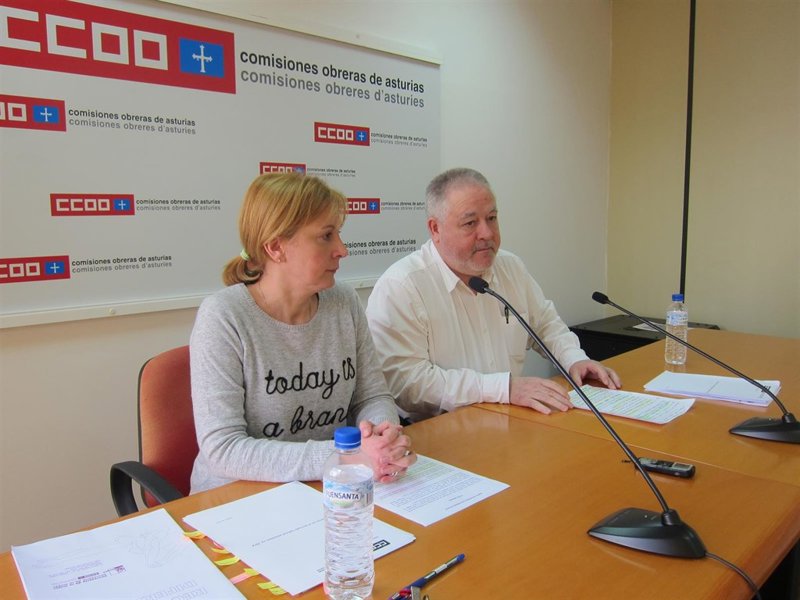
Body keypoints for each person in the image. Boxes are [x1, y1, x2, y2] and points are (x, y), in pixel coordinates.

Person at [189, 172, 416, 493]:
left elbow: (372, 396)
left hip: (329, 485)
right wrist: (344, 457)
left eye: (338, 234)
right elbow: (223, 449)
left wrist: (382, 437)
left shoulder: (344, 301)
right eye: (326, 236)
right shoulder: (224, 316)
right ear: (276, 247)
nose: (342, 249)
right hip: (240, 497)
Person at [366, 167, 620, 422]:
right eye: (470, 223)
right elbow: (408, 384)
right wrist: (502, 389)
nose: (487, 233)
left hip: (508, 419)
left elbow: (545, 325)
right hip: (437, 430)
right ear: (435, 229)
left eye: (492, 218)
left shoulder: (511, 267)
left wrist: (574, 359)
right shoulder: (402, 286)